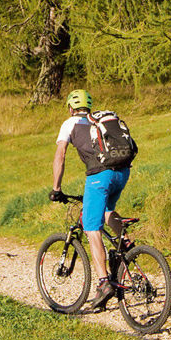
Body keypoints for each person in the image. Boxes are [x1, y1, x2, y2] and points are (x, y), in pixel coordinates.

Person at [49, 89, 130, 308]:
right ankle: (126, 244)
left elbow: (60, 155)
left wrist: (56, 188)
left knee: (91, 227)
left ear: (70, 108)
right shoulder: (97, 122)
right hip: (122, 172)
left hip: (99, 176)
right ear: (89, 108)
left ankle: (104, 282)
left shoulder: (69, 123)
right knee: (106, 211)